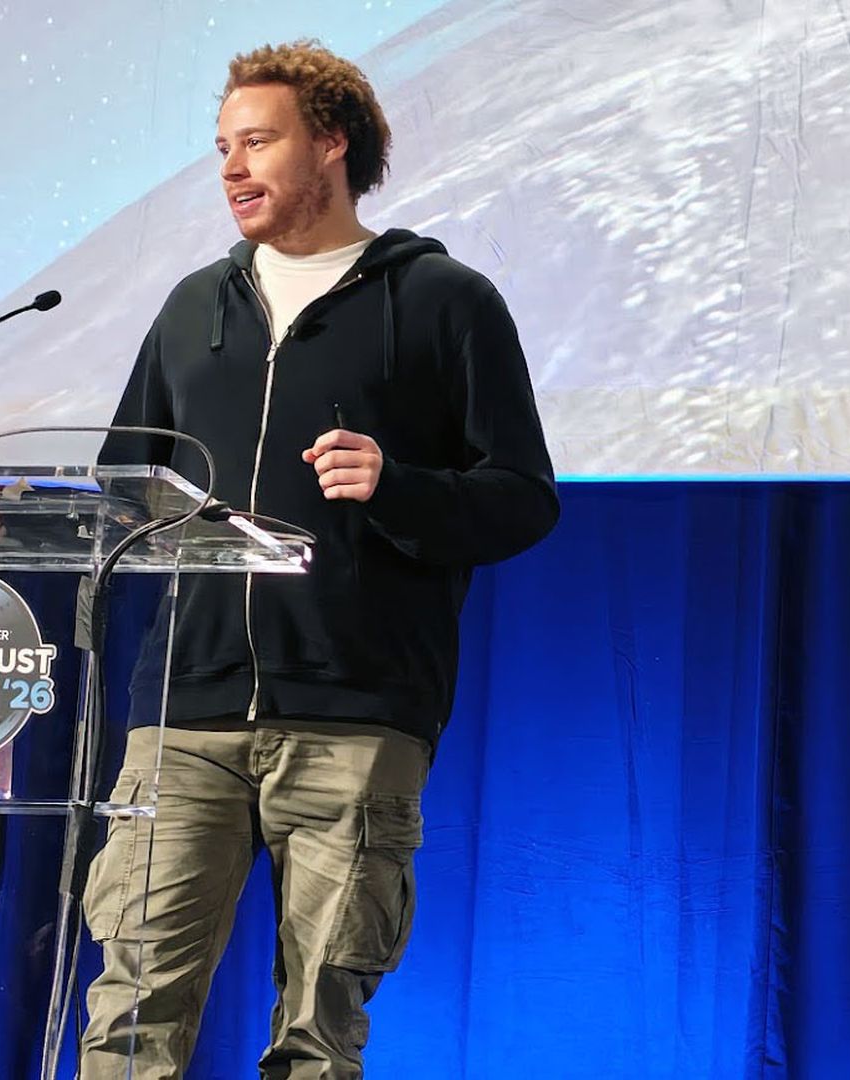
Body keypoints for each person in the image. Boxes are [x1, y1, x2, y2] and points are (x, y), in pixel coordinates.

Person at [78, 40, 559, 1079]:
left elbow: (523, 500)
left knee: (317, 1040)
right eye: (221, 148)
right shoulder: (191, 308)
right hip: (184, 715)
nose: (231, 169)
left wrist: (399, 485)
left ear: (332, 144)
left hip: (355, 714)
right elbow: (126, 488)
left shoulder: (442, 299)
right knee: (128, 1023)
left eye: (258, 142)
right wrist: (15, 514)